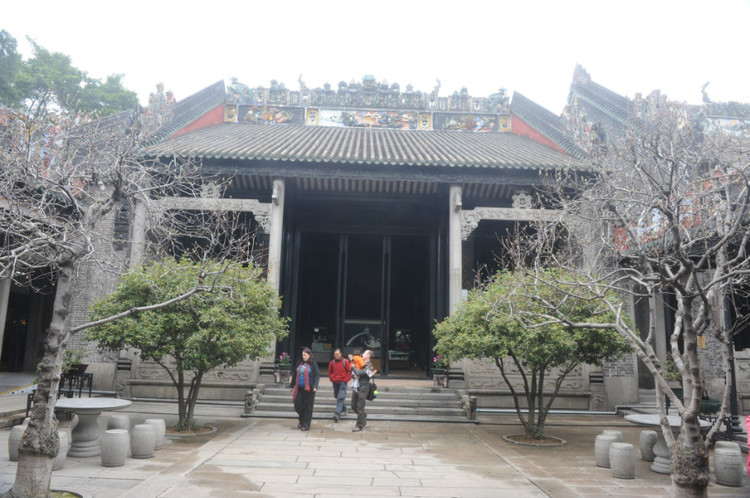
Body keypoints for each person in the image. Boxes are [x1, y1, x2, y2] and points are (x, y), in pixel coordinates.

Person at [290, 347, 319, 431]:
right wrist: (292, 385)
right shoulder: (300, 363)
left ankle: (306, 425)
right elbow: (295, 374)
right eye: (303, 355)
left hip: (309, 389)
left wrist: (315, 386)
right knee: (297, 405)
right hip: (299, 388)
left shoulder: (313, 364)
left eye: (305, 355)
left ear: (309, 355)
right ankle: (301, 420)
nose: (303, 356)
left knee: (307, 407)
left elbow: (317, 375)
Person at [350, 349, 376, 432]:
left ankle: (359, 425)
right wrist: (354, 375)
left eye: (364, 353)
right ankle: (363, 416)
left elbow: (359, 373)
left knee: (360, 407)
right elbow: (354, 374)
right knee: (353, 405)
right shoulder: (361, 363)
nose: (362, 354)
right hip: (356, 386)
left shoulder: (370, 366)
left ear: (368, 356)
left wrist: (353, 366)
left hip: (363, 387)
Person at [328, 348, 351, 422]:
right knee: (337, 396)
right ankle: (344, 409)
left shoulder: (346, 362)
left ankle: (337, 414)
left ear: (341, 354)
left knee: (340, 397)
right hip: (335, 382)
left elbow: (349, 371)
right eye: (335, 354)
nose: (336, 355)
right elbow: (330, 371)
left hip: (343, 382)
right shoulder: (332, 362)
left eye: (337, 354)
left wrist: (346, 380)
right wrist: (332, 378)